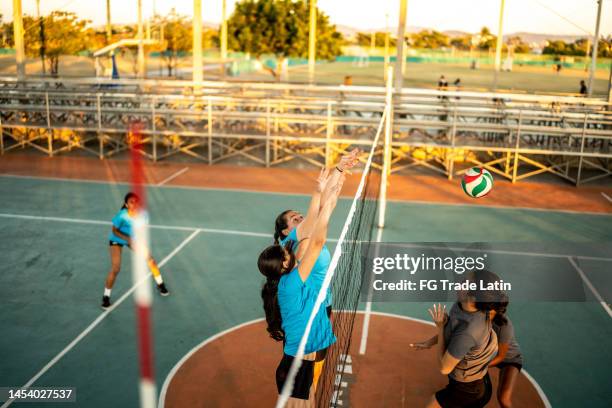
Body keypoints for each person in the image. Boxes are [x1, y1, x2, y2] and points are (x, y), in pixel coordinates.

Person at [258, 169, 347, 405]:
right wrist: (326, 198)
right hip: (299, 359)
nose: (301, 219)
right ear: (285, 262)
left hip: (301, 353)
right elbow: (317, 237)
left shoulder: (289, 272)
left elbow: (314, 218)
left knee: (312, 395)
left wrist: (328, 188)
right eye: (294, 219)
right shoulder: (293, 279)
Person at [273, 150, 360, 317]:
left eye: (299, 215)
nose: (299, 217)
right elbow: (319, 209)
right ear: (285, 230)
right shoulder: (290, 241)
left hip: (323, 302)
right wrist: (322, 188)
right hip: (307, 308)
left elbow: (327, 206)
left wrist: (339, 172)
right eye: (294, 218)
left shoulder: (308, 234)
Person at [410, 270, 503, 408]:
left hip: (468, 391)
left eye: (465, 282)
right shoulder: (463, 305)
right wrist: (430, 342)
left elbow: (444, 368)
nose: (460, 282)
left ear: (473, 298)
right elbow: (454, 332)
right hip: (474, 381)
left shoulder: (469, 331)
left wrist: (441, 328)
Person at [102, 192, 169, 309]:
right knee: (116, 268)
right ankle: (106, 297)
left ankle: (160, 284)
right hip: (117, 240)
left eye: (136, 202)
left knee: (150, 260)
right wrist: (128, 238)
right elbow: (114, 231)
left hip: (133, 240)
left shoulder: (144, 215)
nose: (134, 204)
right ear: (126, 204)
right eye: (131, 202)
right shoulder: (121, 215)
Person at [488, 294, 523, 408]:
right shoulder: (481, 315)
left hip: (510, 359)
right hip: (490, 354)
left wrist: (480, 366)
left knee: (503, 399)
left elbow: (501, 357)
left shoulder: (504, 326)